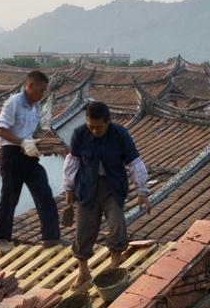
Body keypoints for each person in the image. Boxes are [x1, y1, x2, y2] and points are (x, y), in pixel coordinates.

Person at [63, 101, 152, 288]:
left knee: (116, 224)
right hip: (87, 187)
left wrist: (142, 190)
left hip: (113, 187)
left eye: (99, 127)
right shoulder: (79, 134)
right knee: (84, 230)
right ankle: (83, 272)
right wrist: (69, 189)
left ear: (108, 122)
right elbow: (72, 162)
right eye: (91, 126)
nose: (94, 131)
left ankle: (114, 265)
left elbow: (135, 163)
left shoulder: (120, 134)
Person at [0, 70, 61, 253]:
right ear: (30, 86)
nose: (42, 94)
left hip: (29, 155)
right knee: (9, 197)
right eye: (41, 89)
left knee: (44, 193)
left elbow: (32, 133)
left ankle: (51, 237)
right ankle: (1, 238)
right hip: (11, 153)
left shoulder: (36, 107)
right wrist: (22, 142)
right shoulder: (14, 103)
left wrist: (46, 145)